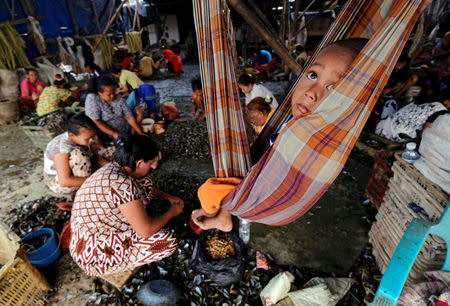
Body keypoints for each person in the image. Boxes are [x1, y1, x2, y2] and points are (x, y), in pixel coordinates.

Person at [192, 38, 369, 232]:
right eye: (312, 75)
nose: (312, 93)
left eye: (333, 88)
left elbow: (267, 102)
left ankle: (211, 212)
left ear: (250, 85)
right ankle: (227, 215)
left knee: (209, 191)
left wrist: (264, 110)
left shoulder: (261, 92)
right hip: (272, 133)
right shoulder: (255, 97)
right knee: (243, 158)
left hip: (270, 119)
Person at [69, 135, 184, 276]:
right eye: (151, 163)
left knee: (145, 182)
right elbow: (145, 231)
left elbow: (143, 187)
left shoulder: (111, 168)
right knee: (167, 241)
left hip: (83, 240)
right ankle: (115, 264)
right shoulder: (123, 185)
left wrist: (168, 197)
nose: (154, 167)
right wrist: (171, 212)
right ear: (140, 163)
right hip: (94, 256)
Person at [44, 113, 105, 196]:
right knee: (78, 155)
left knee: (110, 152)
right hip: (58, 181)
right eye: (87, 139)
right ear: (72, 135)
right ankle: (85, 189)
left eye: (93, 136)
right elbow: (65, 181)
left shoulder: (89, 137)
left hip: (79, 172)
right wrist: (98, 181)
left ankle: (90, 181)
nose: (92, 141)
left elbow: (97, 159)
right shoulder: (61, 148)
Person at [85, 75, 146, 141]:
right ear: (99, 93)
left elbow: (129, 116)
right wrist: (114, 134)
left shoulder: (118, 98)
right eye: (109, 94)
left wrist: (140, 132)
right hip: (104, 133)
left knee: (138, 112)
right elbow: (97, 121)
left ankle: (130, 135)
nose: (112, 96)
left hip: (122, 128)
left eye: (113, 92)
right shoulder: (92, 99)